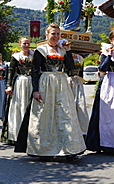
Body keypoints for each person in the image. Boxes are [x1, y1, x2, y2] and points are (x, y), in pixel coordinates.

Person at [15, 23, 86, 162]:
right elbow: (35, 71)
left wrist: (69, 50)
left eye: (58, 34)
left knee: (65, 115)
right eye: (53, 33)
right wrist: (35, 90)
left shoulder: (63, 50)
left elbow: (71, 69)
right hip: (46, 83)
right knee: (45, 116)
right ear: (47, 35)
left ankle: (69, 149)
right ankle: (44, 149)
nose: (55, 36)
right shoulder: (41, 50)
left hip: (61, 84)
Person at [1, 37, 34, 145]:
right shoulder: (16, 57)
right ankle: (17, 134)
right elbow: (10, 72)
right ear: (20, 44)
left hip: (32, 82)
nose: (26, 45)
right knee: (19, 107)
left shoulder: (34, 55)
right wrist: (9, 86)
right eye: (24, 43)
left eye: (28, 43)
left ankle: (31, 135)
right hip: (20, 82)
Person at [67, 53, 89, 137]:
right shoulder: (63, 53)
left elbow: (81, 72)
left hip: (77, 82)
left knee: (80, 105)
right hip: (67, 81)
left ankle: (82, 130)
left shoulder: (80, 58)